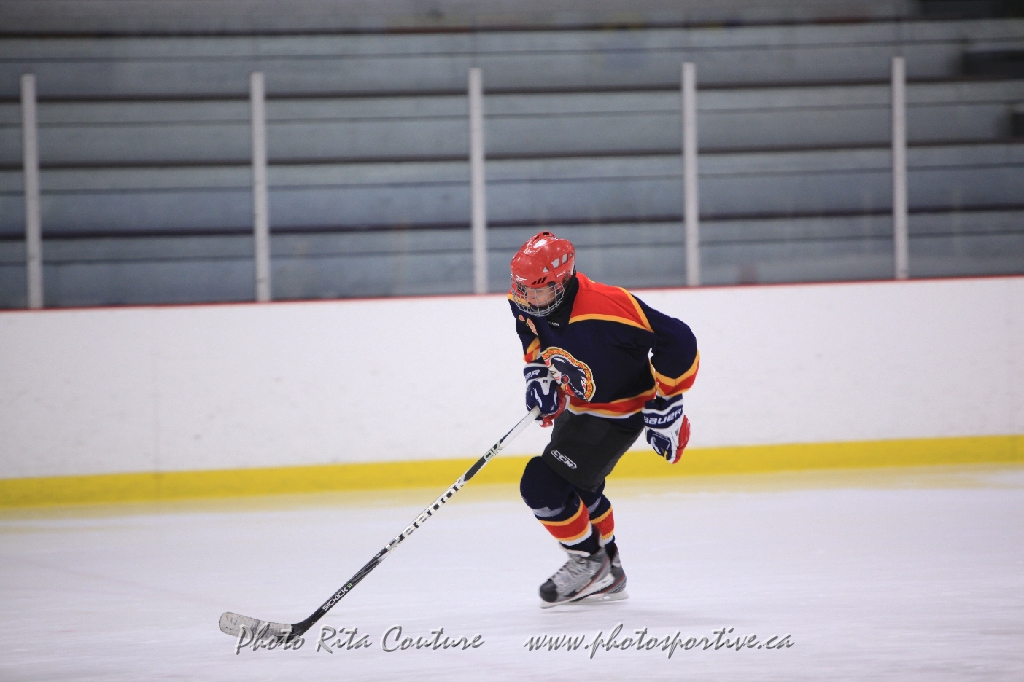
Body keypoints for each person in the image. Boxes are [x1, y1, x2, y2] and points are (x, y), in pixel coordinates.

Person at [509, 231, 699, 607]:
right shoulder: (526, 299)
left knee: (542, 485)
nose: (526, 298)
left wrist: (668, 400)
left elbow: (677, 338)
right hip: (578, 406)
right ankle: (611, 574)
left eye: (537, 291)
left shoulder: (607, 306)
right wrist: (538, 373)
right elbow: (528, 331)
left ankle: (589, 562)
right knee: (581, 492)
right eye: (522, 289)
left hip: (618, 413)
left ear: (561, 283)